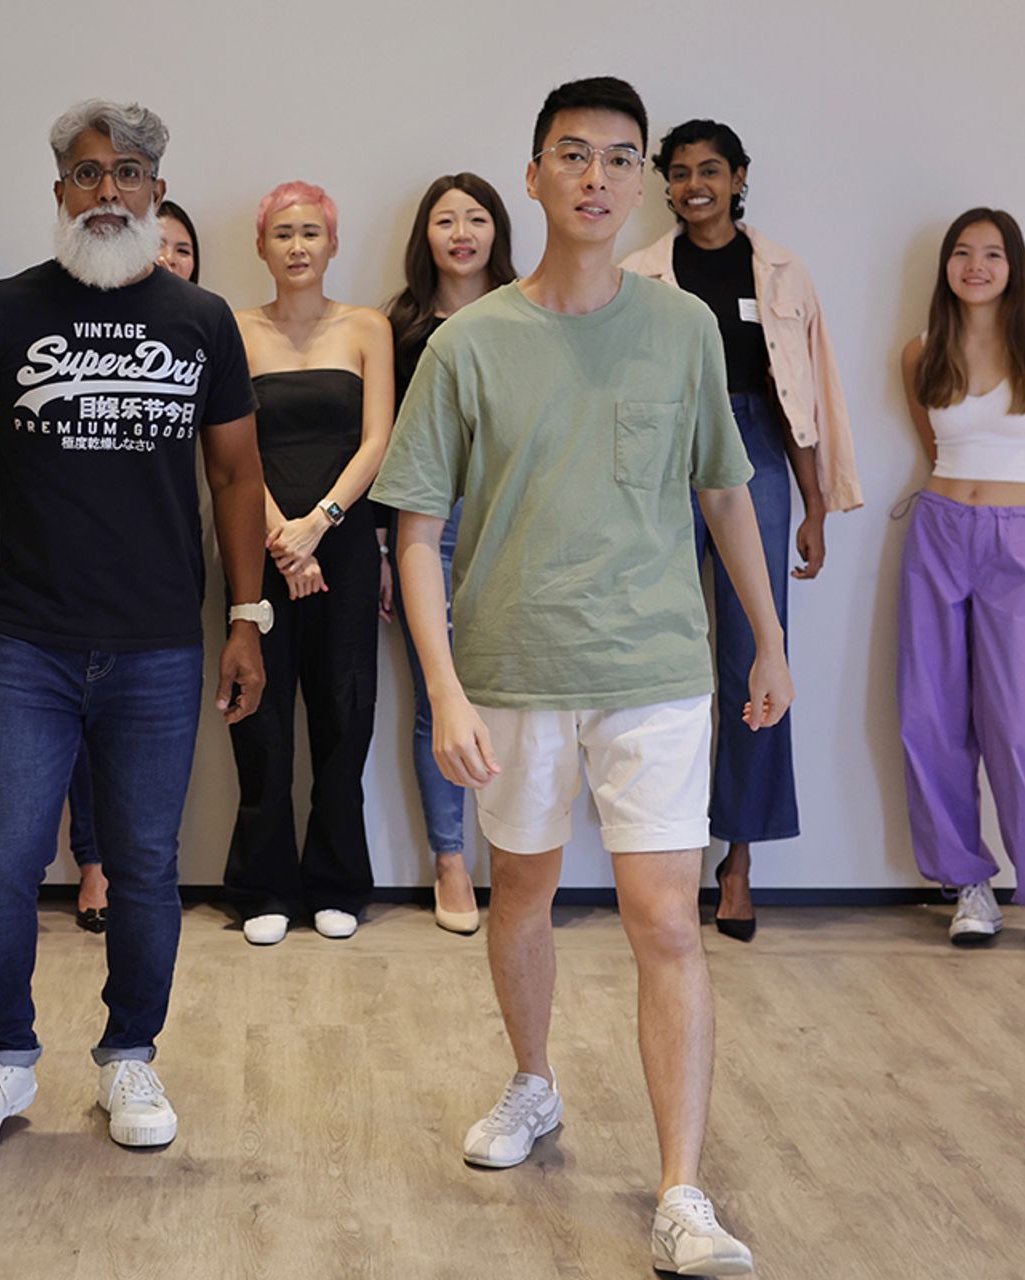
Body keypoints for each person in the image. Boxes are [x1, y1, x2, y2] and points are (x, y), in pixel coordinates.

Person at [372, 76, 789, 1276]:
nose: (596, 177)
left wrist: (767, 636)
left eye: (619, 158)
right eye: (573, 154)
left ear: (641, 178)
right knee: (522, 893)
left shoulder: (685, 328)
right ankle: (533, 1078)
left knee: (667, 918)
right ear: (536, 174)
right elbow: (415, 529)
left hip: (657, 667)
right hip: (513, 668)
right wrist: (447, 689)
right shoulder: (468, 342)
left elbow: (725, 493)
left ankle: (681, 1189)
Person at [0, 99, 268, 1159]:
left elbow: (236, 475)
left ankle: (129, 1056)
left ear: (157, 190)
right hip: (27, 638)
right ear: (59, 191)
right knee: (1, 862)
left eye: (127, 173)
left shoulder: (202, 319)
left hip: (159, 642)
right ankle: (4, 1058)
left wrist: (245, 618)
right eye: (86, 172)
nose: (106, 190)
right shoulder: (5, 312)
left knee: (147, 865)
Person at [623, 119, 863, 940]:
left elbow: (803, 393)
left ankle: (739, 856)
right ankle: (664, 843)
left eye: (711, 171)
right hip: (662, 450)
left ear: (738, 178)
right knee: (660, 650)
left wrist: (817, 504)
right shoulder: (639, 273)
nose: (695, 186)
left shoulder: (783, 273)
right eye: (680, 173)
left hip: (755, 443)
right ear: (665, 184)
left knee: (758, 653)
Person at [898, 208, 1025, 962]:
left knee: (1018, 725)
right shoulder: (921, 352)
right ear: (946, 265)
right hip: (938, 532)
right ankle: (968, 886)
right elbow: (934, 446)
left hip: (1017, 539)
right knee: (931, 718)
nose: (975, 266)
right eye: (962, 252)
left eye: (992, 254)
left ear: (1014, 267)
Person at [223, 181, 392, 946]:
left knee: (344, 715)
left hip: (342, 545)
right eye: (283, 233)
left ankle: (336, 881)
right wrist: (280, 538)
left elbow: (378, 440)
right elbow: (229, 447)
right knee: (258, 720)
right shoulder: (233, 330)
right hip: (256, 545)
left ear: (333, 244)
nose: (297, 246)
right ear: (261, 247)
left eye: (311, 232)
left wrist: (318, 526)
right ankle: (262, 886)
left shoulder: (367, 327)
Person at [380, 172, 517, 934]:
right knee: (440, 699)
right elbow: (387, 446)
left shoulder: (528, 311)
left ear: (498, 229)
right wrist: (382, 545)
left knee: (518, 697)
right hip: (424, 530)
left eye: (476, 219)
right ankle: (451, 859)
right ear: (424, 236)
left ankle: (519, 857)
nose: (462, 234)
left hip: (513, 526)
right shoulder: (398, 328)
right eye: (445, 221)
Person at [66, 199, 205, 933]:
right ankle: (92, 862)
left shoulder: (202, 328)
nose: (170, 258)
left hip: (165, 583)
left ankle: (133, 873)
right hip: (67, 590)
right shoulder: (63, 322)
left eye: (184, 249)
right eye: (163, 245)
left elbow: (235, 467)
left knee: (150, 815)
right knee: (80, 734)